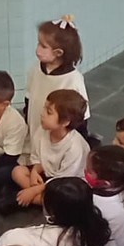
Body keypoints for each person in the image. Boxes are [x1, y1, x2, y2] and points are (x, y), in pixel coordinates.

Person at [8, 89, 90, 210]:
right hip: (48, 177)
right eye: (44, 108)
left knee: (64, 199)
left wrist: (34, 190)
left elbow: (63, 180)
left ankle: (27, 198)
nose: (42, 114)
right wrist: (35, 172)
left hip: (65, 184)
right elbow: (37, 157)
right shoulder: (43, 130)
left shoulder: (75, 147)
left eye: (49, 112)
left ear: (65, 122)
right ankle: (37, 200)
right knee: (17, 171)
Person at [25, 16, 90, 153]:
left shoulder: (73, 79)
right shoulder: (36, 69)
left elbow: (80, 119)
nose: (37, 50)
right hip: (36, 133)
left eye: (43, 46)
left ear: (58, 53)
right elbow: (29, 98)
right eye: (38, 43)